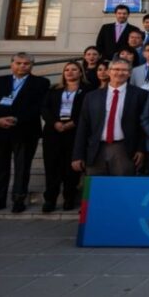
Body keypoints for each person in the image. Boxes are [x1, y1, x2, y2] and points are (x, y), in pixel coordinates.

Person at [72, 59, 148, 177]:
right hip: (96, 149)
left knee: (122, 189)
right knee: (95, 190)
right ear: (108, 72)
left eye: (124, 70)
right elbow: (83, 126)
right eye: (116, 69)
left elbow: (143, 125)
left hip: (124, 150)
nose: (120, 73)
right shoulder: (92, 96)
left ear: (129, 73)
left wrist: (141, 149)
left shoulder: (140, 95)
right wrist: (78, 155)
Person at [0, 53, 51, 212]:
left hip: (26, 131)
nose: (22, 66)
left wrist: (17, 119)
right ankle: (0, 199)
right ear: (11, 64)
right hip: (0, 130)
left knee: (22, 167)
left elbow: (38, 106)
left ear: (32, 66)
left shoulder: (41, 83)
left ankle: (18, 200)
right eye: (19, 63)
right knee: (0, 167)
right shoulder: (0, 81)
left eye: (26, 63)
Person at [40, 61, 90, 212]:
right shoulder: (54, 89)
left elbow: (86, 110)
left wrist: (73, 123)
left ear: (81, 72)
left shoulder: (87, 90)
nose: (69, 72)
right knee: (52, 167)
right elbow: (44, 108)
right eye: (67, 70)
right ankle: (50, 199)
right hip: (53, 133)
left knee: (71, 168)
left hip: (74, 133)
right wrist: (55, 122)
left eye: (74, 69)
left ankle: (69, 197)